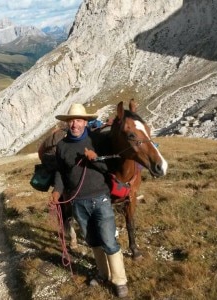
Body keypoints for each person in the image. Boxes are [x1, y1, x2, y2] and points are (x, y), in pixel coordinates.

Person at [50, 103, 128, 298]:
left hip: (100, 198)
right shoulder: (62, 146)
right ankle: (103, 274)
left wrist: (96, 159)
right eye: (71, 121)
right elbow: (60, 172)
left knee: (109, 240)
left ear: (85, 122)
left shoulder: (97, 141)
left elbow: (110, 169)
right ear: (67, 123)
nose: (75, 124)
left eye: (79, 120)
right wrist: (56, 192)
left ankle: (119, 280)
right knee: (92, 240)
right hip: (78, 202)